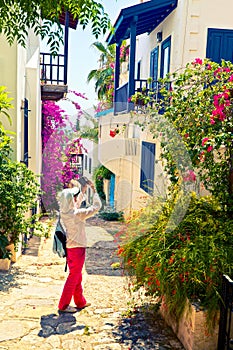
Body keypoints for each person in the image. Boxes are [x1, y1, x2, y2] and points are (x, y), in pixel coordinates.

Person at [58, 181, 102, 313]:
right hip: (78, 248)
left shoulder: (66, 213)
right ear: (71, 200)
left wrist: (82, 191)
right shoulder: (78, 214)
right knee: (74, 276)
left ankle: (80, 301)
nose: (76, 199)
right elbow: (96, 206)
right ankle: (63, 305)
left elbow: (75, 205)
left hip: (71, 248)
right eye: (74, 197)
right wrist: (94, 191)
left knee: (77, 275)